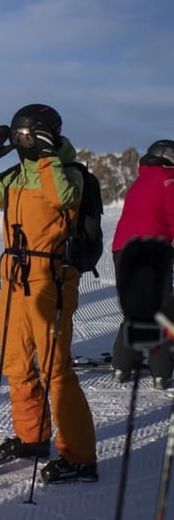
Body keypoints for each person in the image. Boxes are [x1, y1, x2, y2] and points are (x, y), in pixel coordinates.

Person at [0, 103, 98, 483]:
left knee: (55, 369)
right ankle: (32, 437)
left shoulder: (68, 174)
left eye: (29, 136)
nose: (23, 142)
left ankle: (80, 457)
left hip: (51, 278)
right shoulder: (16, 176)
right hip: (14, 278)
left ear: (47, 136)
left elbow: (62, 199)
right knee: (16, 364)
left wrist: (48, 157)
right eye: (17, 136)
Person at [110, 140, 174, 389]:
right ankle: (161, 371)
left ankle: (121, 366)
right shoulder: (168, 177)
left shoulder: (140, 181)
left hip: (123, 250)